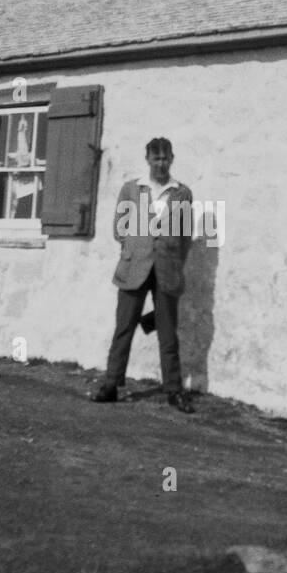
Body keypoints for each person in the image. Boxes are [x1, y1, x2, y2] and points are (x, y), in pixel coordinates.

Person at [91, 137, 195, 412]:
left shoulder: (182, 193)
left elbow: (185, 237)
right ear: (147, 159)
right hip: (134, 267)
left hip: (166, 270)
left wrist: (173, 262)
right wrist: (138, 247)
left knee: (167, 333)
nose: (160, 164)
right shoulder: (131, 189)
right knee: (124, 328)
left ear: (172, 159)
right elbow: (119, 229)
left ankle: (174, 390)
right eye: (155, 158)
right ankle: (111, 384)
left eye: (165, 158)